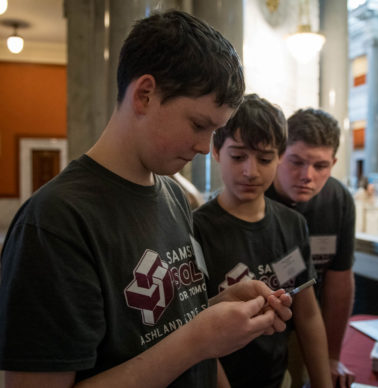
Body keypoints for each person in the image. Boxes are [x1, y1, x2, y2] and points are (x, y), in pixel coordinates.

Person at [0, 11, 292, 388]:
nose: (206, 148)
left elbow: (155, 330)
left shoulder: (172, 193)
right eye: (198, 125)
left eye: (215, 131)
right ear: (145, 94)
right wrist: (196, 340)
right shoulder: (55, 222)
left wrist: (219, 312)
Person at [192, 94, 332, 388]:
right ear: (216, 151)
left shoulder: (293, 224)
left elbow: (306, 314)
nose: (250, 171)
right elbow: (194, 330)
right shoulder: (196, 228)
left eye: (265, 158)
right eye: (239, 156)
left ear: (279, 156)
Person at [265, 108, 356, 388]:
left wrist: (331, 356)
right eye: (296, 162)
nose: (307, 176)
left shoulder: (338, 199)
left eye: (320, 166)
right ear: (280, 154)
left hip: (310, 320)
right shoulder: (254, 192)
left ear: (334, 162)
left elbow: (339, 281)